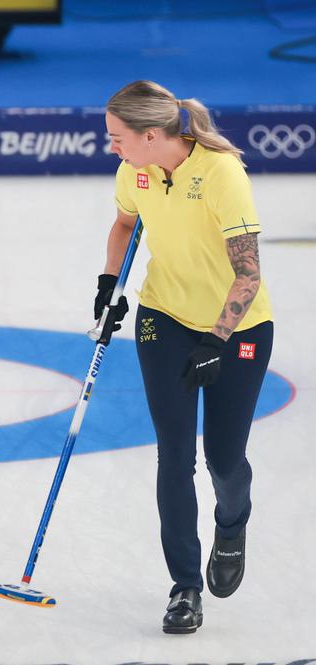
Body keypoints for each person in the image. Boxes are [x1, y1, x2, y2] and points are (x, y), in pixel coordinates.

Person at [99, 80, 273, 634]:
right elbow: (126, 223)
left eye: (118, 137)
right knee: (174, 455)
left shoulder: (222, 174)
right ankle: (185, 587)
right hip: (164, 317)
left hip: (238, 327)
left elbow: (248, 274)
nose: (111, 146)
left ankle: (232, 522)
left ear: (152, 135)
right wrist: (108, 286)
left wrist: (215, 342)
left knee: (223, 458)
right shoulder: (135, 171)